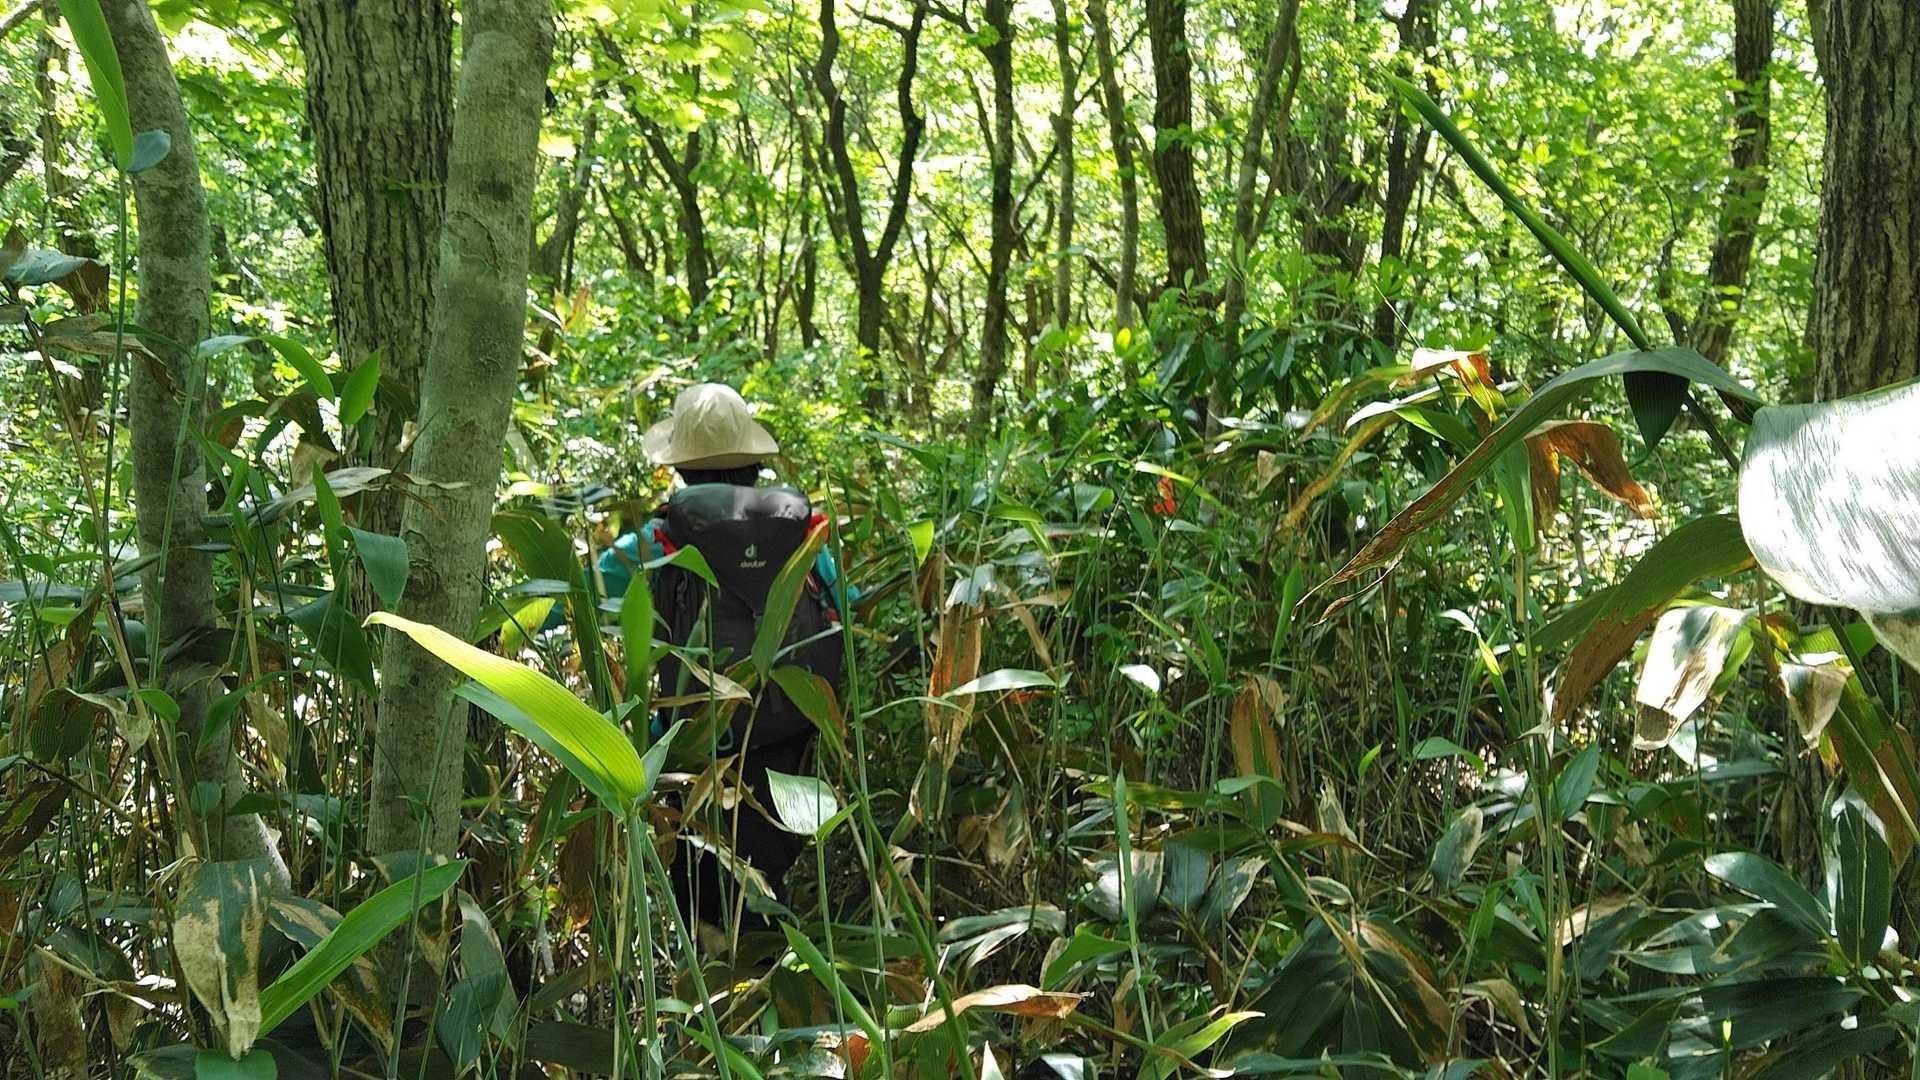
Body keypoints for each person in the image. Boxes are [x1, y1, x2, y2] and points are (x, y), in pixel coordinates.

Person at [618, 383, 851, 939]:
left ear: (679, 469)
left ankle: (714, 979)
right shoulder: (802, 534)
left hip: (693, 756)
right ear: (753, 463)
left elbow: (574, 604)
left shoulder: (655, 543)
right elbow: (845, 608)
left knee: (704, 902)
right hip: (787, 743)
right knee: (765, 886)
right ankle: (773, 968)